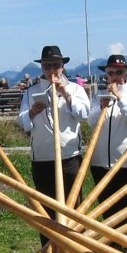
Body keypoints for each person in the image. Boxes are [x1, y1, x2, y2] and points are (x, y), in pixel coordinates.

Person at [18, 46, 90, 242]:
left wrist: (66, 95)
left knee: (73, 208)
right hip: (42, 158)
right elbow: (22, 122)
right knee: (46, 210)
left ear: (62, 66)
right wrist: (32, 112)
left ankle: (76, 252)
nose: (51, 70)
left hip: (70, 157)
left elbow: (84, 114)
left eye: (56, 66)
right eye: (47, 66)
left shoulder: (76, 89)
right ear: (41, 67)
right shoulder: (30, 92)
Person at [88, 55, 127, 242]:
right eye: (111, 73)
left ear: (126, 74)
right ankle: (110, 247)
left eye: (119, 73)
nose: (115, 77)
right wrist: (100, 107)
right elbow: (90, 121)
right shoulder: (99, 96)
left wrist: (119, 98)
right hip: (100, 161)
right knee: (106, 207)